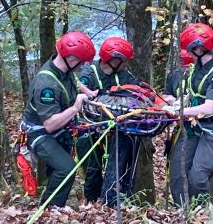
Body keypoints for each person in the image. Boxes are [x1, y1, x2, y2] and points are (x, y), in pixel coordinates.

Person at [21, 31, 96, 207]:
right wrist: (76, 107)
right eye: (81, 62)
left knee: (58, 168)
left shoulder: (63, 68)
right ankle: (49, 209)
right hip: (38, 133)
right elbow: (50, 124)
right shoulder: (46, 84)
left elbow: (74, 81)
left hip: (58, 130)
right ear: (71, 59)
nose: (82, 66)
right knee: (66, 169)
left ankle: (54, 206)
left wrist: (89, 93)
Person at [167, 23, 213, 206]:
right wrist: (175, 103)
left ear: (198, 49)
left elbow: (208, 108)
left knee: (198, 176)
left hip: (212, 129)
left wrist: (178, 111)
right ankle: (182, 211)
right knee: (177, 173)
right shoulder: (196, 68)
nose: (189, 53)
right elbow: (191, 95)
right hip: (192, 127)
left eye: (190, 49)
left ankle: (202, 213)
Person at [78, 37, 140, 205]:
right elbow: (79, 95)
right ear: (115, 60)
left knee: (121, 165)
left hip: (116, 128)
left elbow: (139, 90)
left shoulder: (123, 74)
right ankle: (92, 205)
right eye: (124, 61)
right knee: (93, 169)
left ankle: (113, 202)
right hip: (90, 128)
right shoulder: (89, 74)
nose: (126, 65)